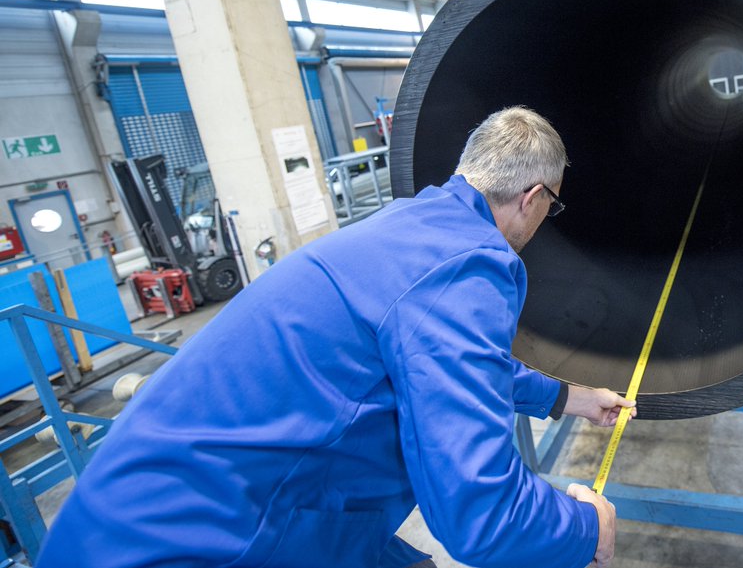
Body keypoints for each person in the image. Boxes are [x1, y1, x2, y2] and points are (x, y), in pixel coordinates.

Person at [37, 106, 632, 568]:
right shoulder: (470, 264)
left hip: (124, 520)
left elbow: (448, 364)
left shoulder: (412, 228)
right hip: (198, 544)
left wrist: (568, 397)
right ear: (533, 198)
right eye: (552, 208)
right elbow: (481, 513)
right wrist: (586, 528)